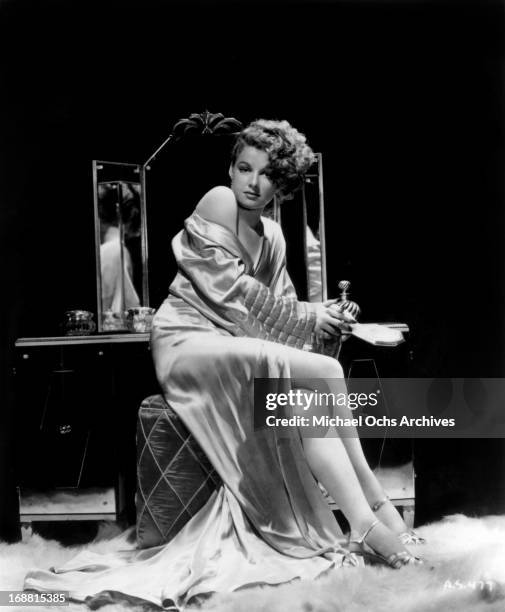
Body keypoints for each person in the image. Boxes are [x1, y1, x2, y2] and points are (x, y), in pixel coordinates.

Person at [25, 120, 423, 610]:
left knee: (303, 398)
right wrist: (308, 316)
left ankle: (368, 517)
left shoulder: (274, 236)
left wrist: (327, 321)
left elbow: (276, 317)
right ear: (230, 169)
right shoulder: (218, 202)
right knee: (329, 374)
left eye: (266, 174)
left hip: (235, 344)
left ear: (285, 184)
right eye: (243, 168)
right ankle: (371, 515)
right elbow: (232, 296)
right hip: (187, 342)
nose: (251, 182)